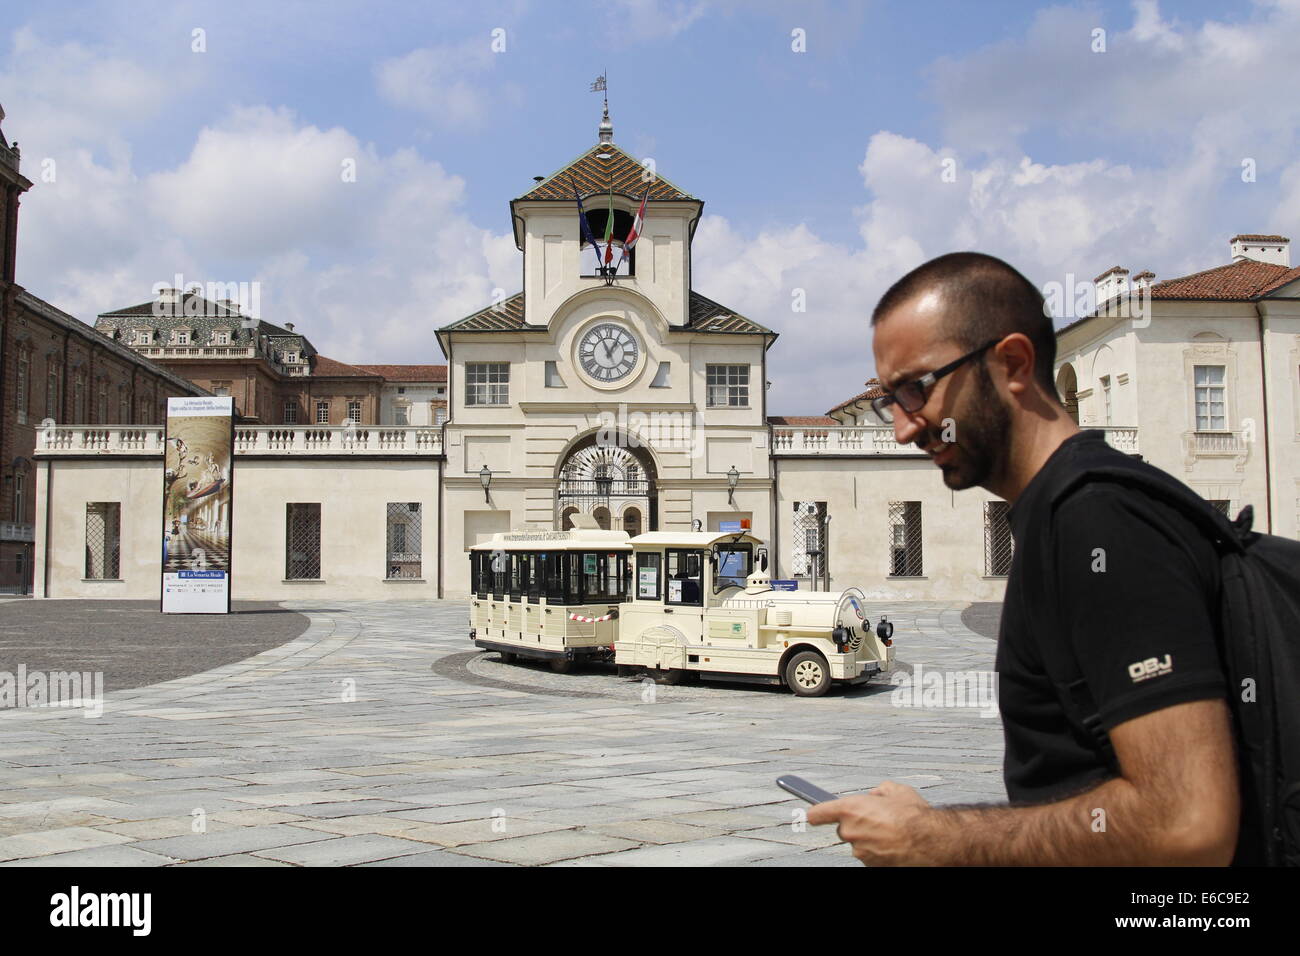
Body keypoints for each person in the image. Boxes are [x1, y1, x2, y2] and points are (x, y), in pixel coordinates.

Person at [808, 252, 1244, 865]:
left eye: (916, 389)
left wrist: (935, 839)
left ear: (1012, 363)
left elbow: (1186, 822)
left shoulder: (1098, 518)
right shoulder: (1066, 511)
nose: (903, 428)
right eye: (889, 401)